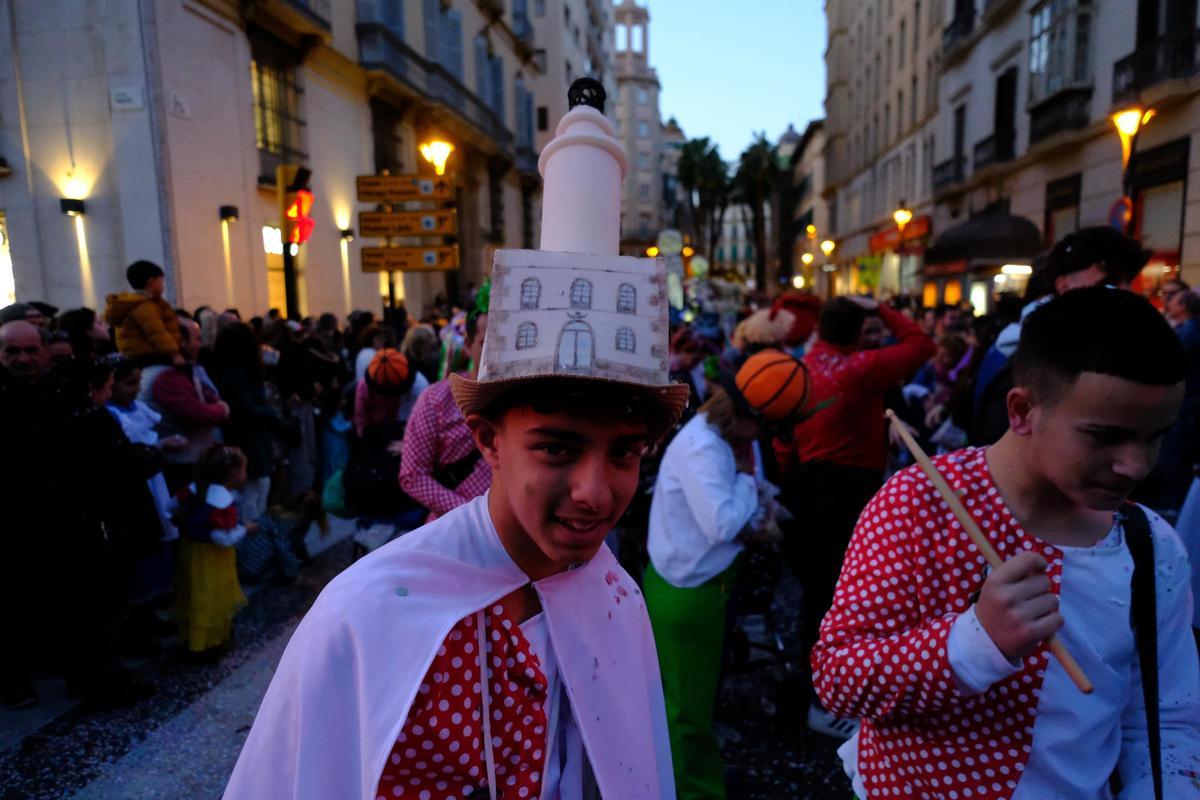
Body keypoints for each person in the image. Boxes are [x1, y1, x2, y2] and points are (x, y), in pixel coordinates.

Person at [226, 84, 686, 798]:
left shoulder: (616, 600)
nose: (597, 494)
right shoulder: (364, 615)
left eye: (624, 451)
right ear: (487, 440)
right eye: (557, 448)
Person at [815, 287, 1200, 799]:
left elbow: (1165, 718)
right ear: (1021, 410)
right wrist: (974, 642)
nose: (1136, 464)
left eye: (1155, 436)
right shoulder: (919, 503)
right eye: (1104, 436)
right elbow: (838, 677)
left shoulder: (1149, 545)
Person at [645, 350, 807, 800]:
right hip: (688, 594)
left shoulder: (716, 439)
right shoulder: (706, 448)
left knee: (693, 703)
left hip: (700, 587)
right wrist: (745, 479)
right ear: (746, 420)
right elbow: (723, 524)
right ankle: (693, 792)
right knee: (686, 714)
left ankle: (696, 780)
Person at [775, 294, 934, 736]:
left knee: (817, 596)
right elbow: (922, 344)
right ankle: (825, 700)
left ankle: (818, 692)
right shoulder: (861, 368)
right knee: (841, 598)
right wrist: (880, 307)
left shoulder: (802, 366)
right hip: (847, 493)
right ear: (857, 333)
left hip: (807, 486)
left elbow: (782, 438)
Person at [972, 226, 1150, 445]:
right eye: (1108, 283)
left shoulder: (1117, 349)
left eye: (1128, 281)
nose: (1124, 294)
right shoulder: (1027, 354)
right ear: (1063, 285)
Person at [399, 310, 492, 520]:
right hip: (455, 528)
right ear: (468, 346)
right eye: (486, 343)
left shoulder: (525, 402)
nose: (497, 352)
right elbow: (412, 475)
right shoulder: (437, 399)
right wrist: (471, 516)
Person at [210, 322, 293, 523]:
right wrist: (273, 417)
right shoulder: (237, 375)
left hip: (249, 443)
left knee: (254, 495)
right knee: (253, 500)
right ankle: (253, 549)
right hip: (250, 444)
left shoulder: (226, 372)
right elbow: (249, 409)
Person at [172, 445, 250, 656]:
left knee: (193, 592)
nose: (245, 474)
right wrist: (244, 529)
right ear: (233, 473)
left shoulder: (195, 488)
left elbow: (171, 506)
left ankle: (192, 637)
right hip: (214, 558)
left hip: (191, 551)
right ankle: (210, 643)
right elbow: (223, 538)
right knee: (213, 596)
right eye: (244, 469)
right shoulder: (222, 501)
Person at [142, 317, 230, 493]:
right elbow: (196, 414)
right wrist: (223, 409)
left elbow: (208, 396)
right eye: (197, 338)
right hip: (183, 464)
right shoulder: (168, 377)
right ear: (181, 342)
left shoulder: (179, 371)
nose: (200, 344)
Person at [104, 260, 184, 366]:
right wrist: (174, 354)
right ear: (151, 282)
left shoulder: (135, 303)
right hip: (147, 357)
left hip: (137, 355)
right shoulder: (143, 306)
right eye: (161, 281)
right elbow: (157, 333)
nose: (163, 286)